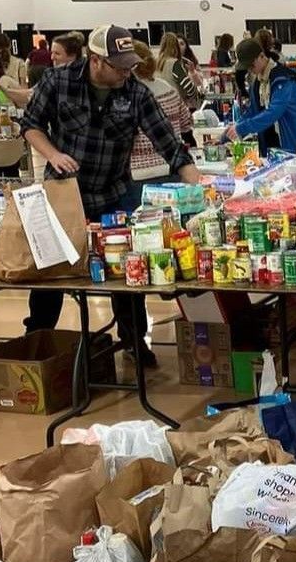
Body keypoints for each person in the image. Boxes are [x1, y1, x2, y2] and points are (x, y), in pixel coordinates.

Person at [20, 23, 200, 364]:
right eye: (119, 66)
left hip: (113, 195)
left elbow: (170, 145)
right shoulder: (58, 82)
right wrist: (53, 154)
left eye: (129, 65)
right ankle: (36, 340)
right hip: (64, 194)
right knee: (50, 273)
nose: (126, 72)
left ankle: (134, 340)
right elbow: (30, 124)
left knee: (126, 271)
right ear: (97, 60)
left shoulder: (135, 93)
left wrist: (200, 188)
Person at [224, 36, 296, 154]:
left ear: (261, 56)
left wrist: (241, 128)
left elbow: (273, 112)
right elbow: (253, 111)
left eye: (251, 65)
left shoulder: (284, 80)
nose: (249, 69)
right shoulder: (259, 83)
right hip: (281, 146)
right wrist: (230, 131)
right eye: (246, 67)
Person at [127, 40, 192, 208]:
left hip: (137, 176)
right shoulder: (168, 89)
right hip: (171, 171)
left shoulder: (128, 95)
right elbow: (186, 123)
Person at [156, 32, 200, 109]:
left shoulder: (156, 62)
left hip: (159, 107)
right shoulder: (174, 64)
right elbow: (189, 88)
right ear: (175, 46)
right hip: (175, 107)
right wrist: (196, 94)